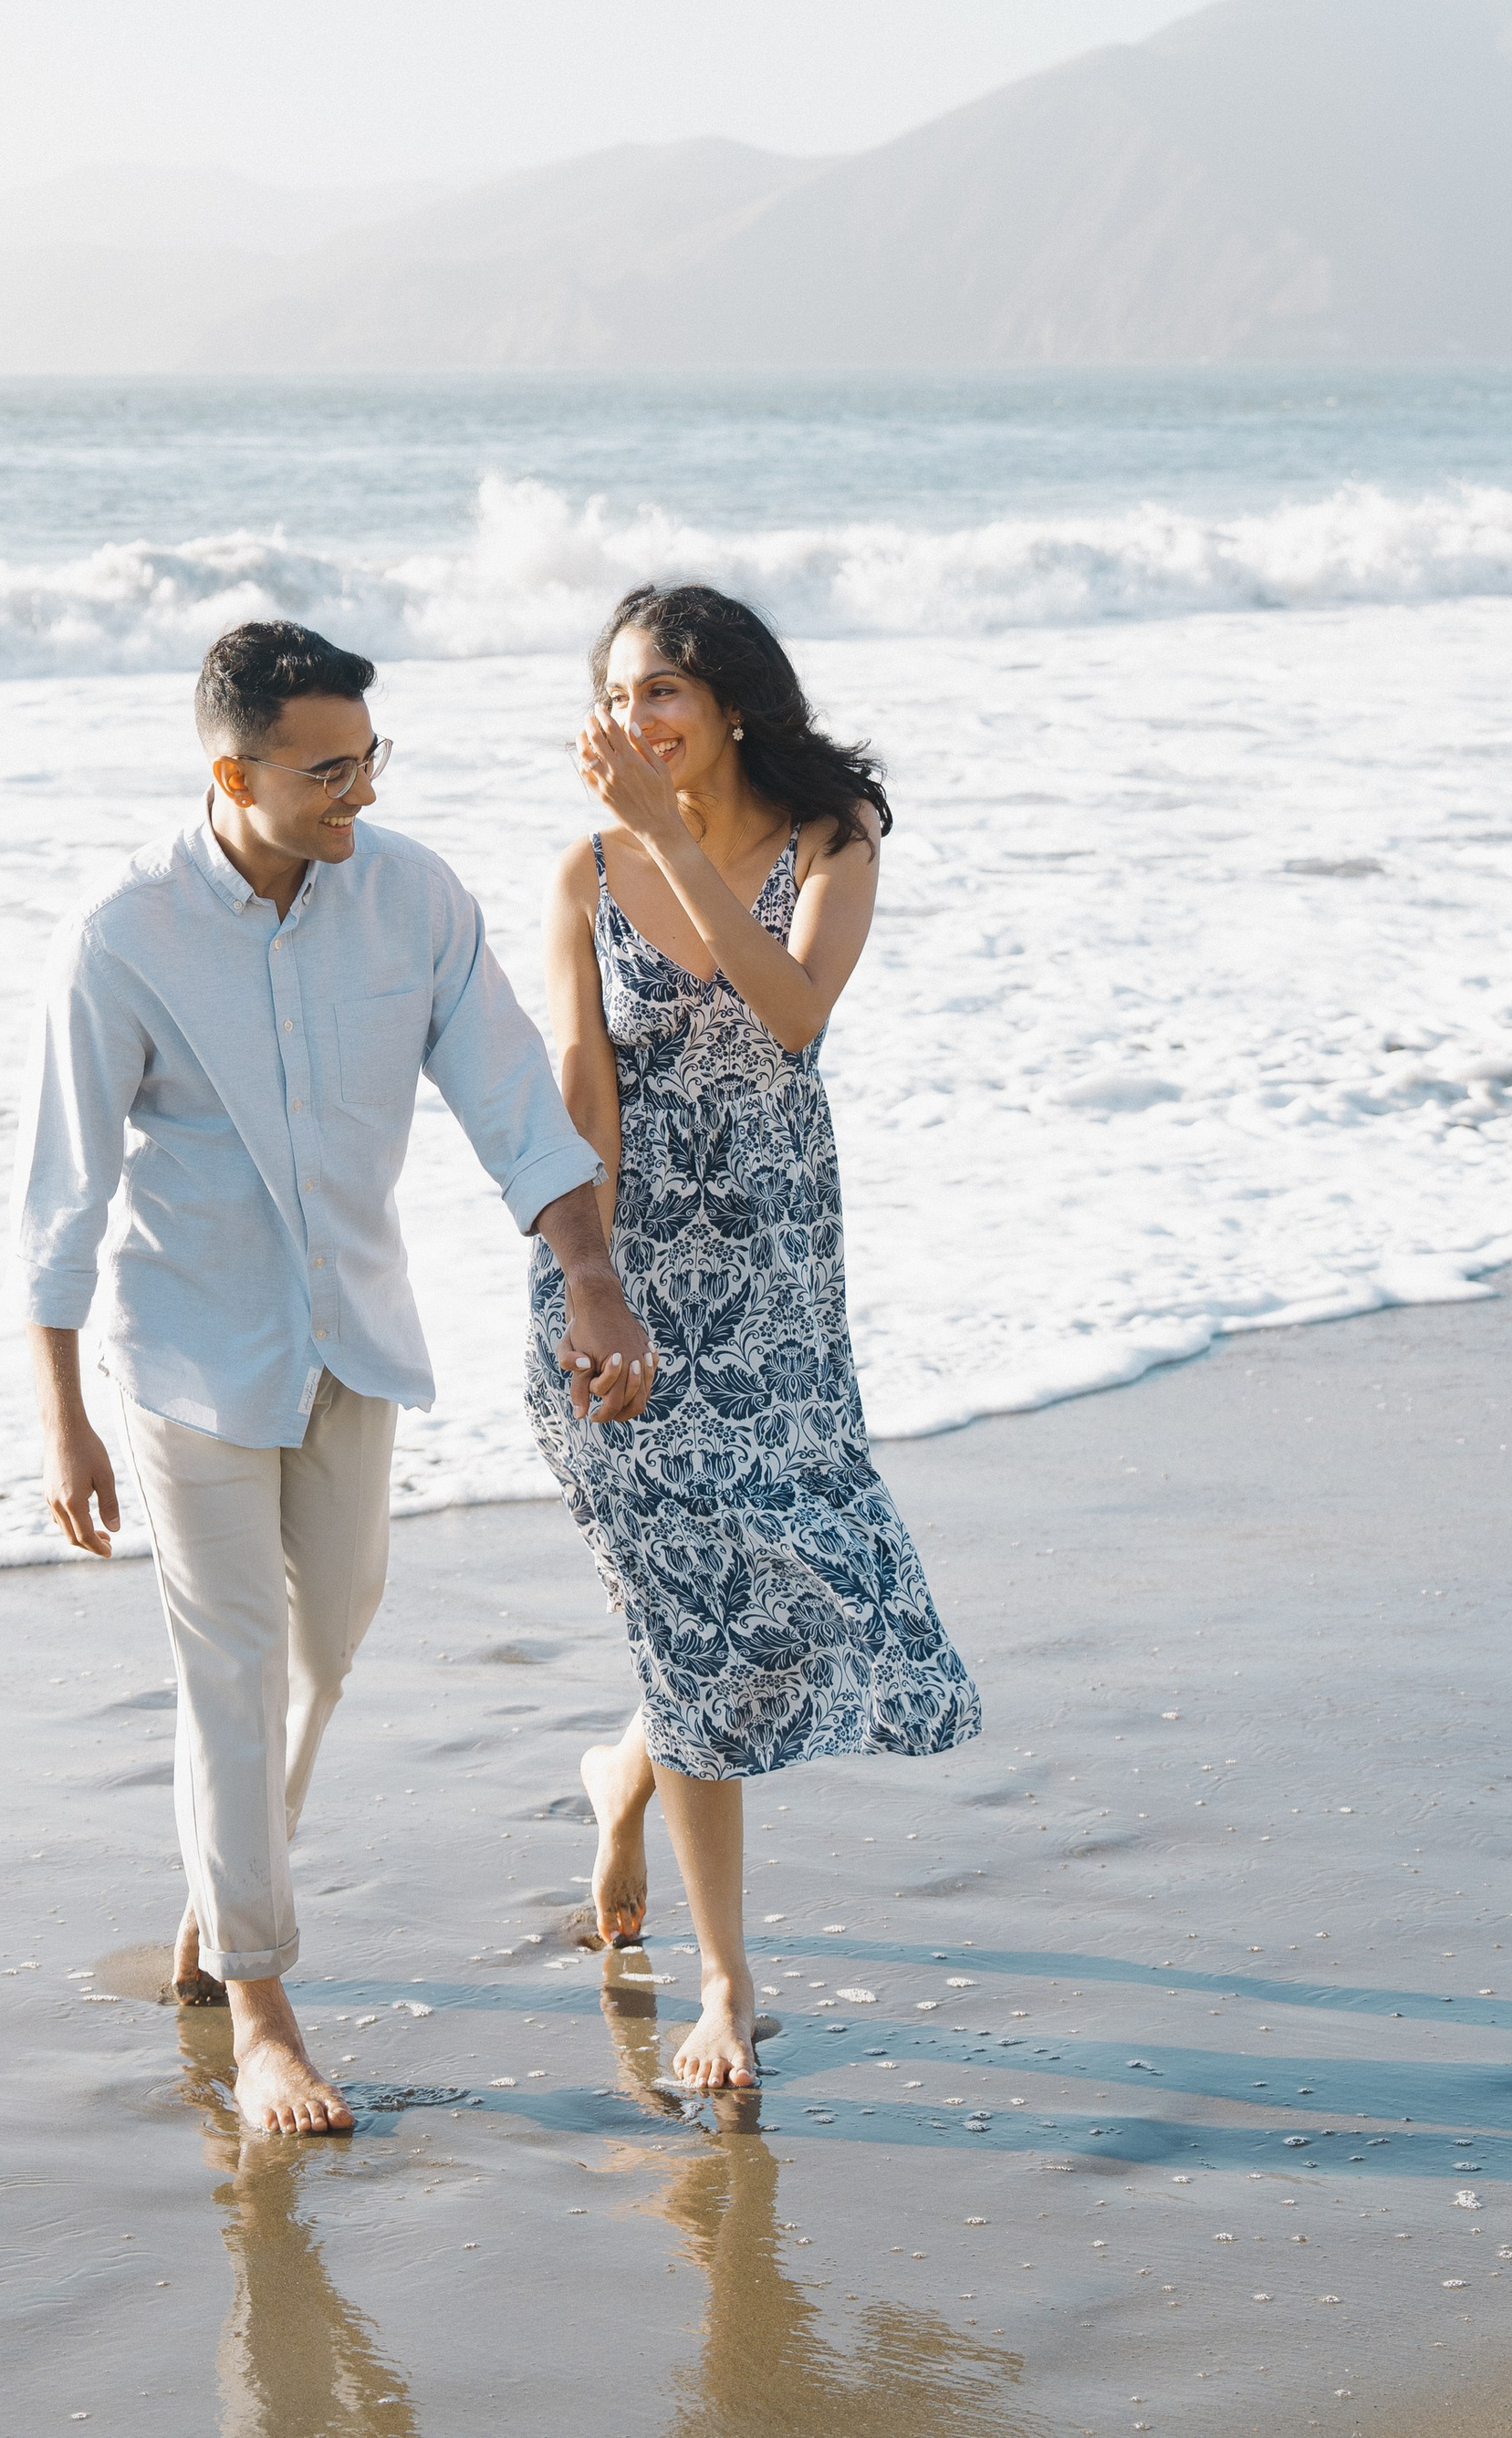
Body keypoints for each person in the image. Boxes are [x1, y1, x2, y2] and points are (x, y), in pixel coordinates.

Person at [14, 618, 655, 2139]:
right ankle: (262, 2008)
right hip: (189, 1350)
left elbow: (513, 1096)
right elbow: (61, 1192)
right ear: (233, 774)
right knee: (231, 1665)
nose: (360, 790)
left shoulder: (414, 897)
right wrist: (63, 1418)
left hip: (352, 1333)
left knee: (333, 1636)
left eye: (371, 758)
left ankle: (222, 1872)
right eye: (327, 770)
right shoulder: (121, 934)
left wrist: (590, 1268)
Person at [529, 581, 981, 2093]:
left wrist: (663, 835)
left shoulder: (829, 839)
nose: (635, 719)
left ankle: (626, 1773)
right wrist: (585, 1281)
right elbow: (582, 1080)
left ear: (728, 699)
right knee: (692, 1613)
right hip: (629, 1273)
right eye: (617, 696)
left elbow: (788, 1010)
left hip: (774, 1271)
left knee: (794, 1586)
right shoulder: (585, 869)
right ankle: (724, 1984)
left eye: (660, 690)